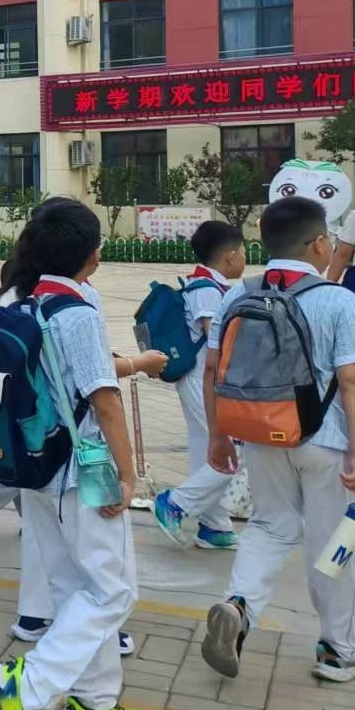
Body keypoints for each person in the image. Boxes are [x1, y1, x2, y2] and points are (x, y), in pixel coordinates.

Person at [0, 201, 153, 710]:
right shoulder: (77, 313)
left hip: (35, 465)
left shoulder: (24, 304)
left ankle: (94, 703)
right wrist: (128, 476)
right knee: (112, 589)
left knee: (72, 588)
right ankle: (28, 685)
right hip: (84, 470)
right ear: (89, 254)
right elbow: (105, 402)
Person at [200, 197, 355, 683]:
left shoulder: (237, 296)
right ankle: (341, 649)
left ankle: (238, 605)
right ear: (319, 243)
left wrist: (218, 436)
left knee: (269, 526)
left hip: (260, 435)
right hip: (326, 443)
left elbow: (214, 369)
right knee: (336, 543)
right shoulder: (339, 301)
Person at [151, 221, 248, 550]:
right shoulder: (207, 289)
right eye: (243, 251)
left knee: (205, 449)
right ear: (231, 255)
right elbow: (216, 336)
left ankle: (214, 526)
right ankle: (175, 504)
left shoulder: (204, 283)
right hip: (204, 377)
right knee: (230, 451)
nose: (245, 257)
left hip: (198, 375)